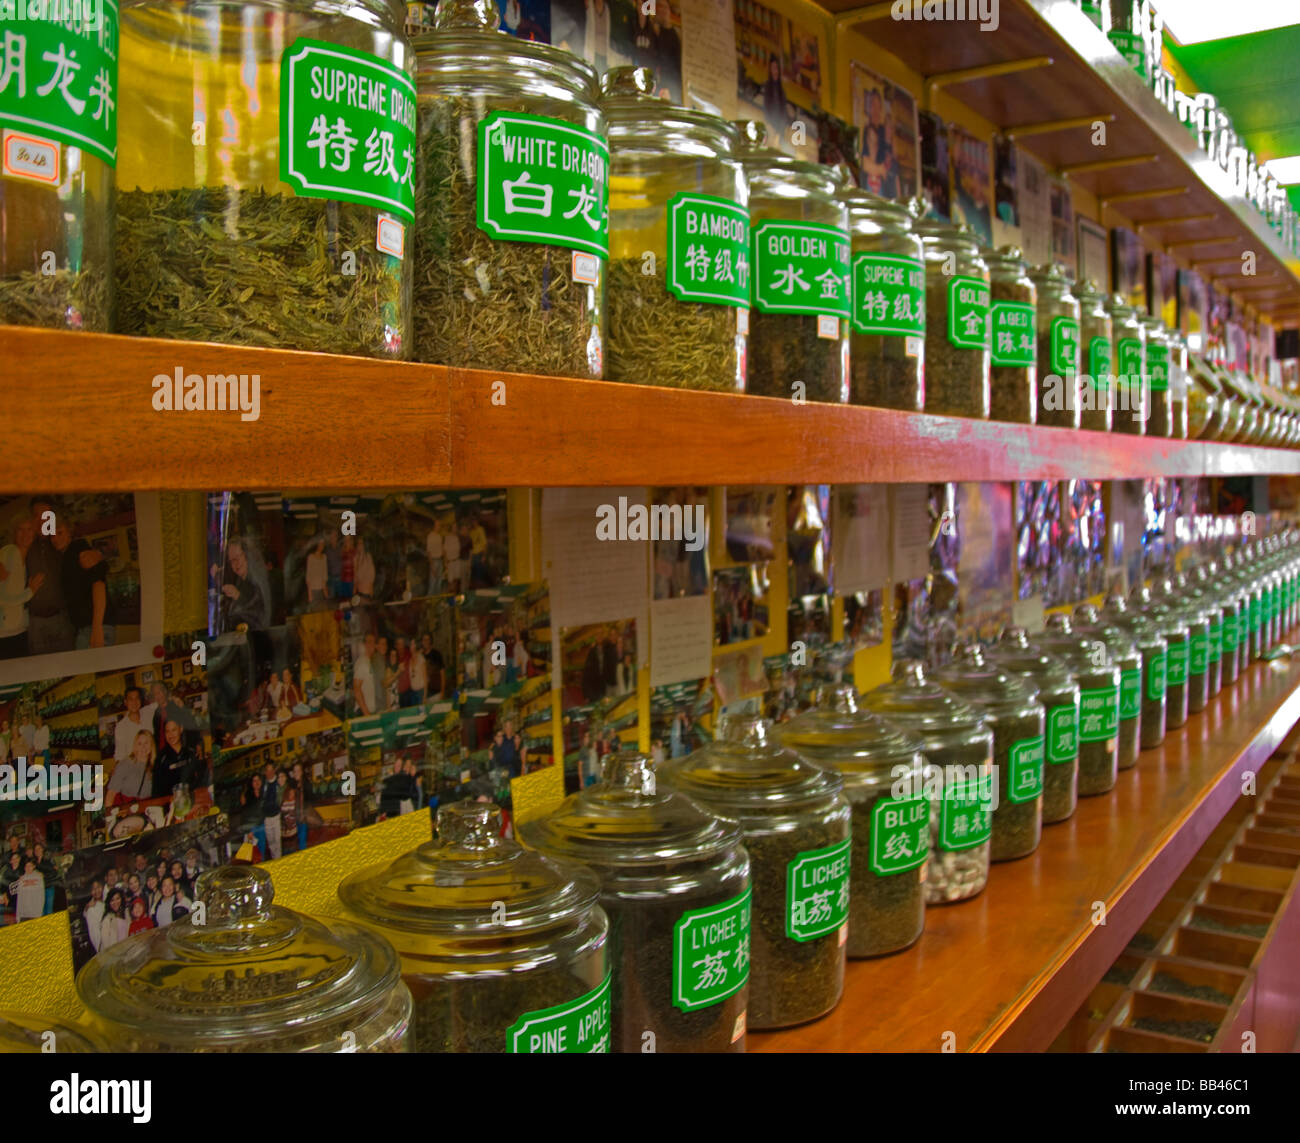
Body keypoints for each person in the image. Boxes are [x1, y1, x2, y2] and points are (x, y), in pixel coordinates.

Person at [51, 516, 113, 649]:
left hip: (96, 626)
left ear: (69, 532)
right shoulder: (66, 556)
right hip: (87, 627)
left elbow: (98, 584)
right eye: (52, 535)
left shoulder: (78, 548)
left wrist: (97, 628)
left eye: (60, 532)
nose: (55, 538)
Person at [24, 497, 75, 654]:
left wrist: (97, 556)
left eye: (46, 516)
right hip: (34, 622)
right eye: (36, 516)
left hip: (62, 618)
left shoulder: (61, 541)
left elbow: (83, 554)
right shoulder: (23, 545)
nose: (41, 521)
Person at [0, 517, 42, 660]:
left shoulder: (25, 556)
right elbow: (2, 599)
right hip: (5, 634)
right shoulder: (10, 552)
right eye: (20, 530)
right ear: (14, 533)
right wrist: (30, 591)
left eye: (29, 530)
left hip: (18, 630)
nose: (25, 534)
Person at [212, 537, 268, 631]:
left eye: (238, 557)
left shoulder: (256, 579)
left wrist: (237, 595)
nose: (236, 563)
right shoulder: (240, 579)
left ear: (246, 556)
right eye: (232, 560)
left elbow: (259, 613)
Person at [154, 719, 200, 798]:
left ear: (181, 729)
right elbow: (156, 791)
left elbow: (198, 781)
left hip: (191, 798)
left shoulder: (191, 753)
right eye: (167, 731)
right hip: (170, 802)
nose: (170, 735)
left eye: (174, 730)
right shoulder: (161, 758)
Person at [108, 729, 156, 804]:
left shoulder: (156, 766)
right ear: (135, 746)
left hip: (148, 807)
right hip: (126, 808)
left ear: (151, 745)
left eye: (146, 743)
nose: (143, 747)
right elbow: (111, 794)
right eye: (139, 744)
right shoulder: (125, 764)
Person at [114, 686, 159, 764]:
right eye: (131, 699)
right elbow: (119, 756)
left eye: (137, 698)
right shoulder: (121, 727)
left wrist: (177, 700)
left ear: (140, 700)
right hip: (135, 767)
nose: (134, 702)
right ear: (125, 702)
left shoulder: (148, 712)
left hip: (153, 763)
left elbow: (163, 702)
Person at [352, 633, 378, 716]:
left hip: (370, 711)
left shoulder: (369, 661)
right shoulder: (362, 662)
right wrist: (366, 713)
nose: (372, 644)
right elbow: (357, 689)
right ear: (364, 644)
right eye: (369, 642)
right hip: (363, 712)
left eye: (373, 642)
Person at [261, 762, 283, 860]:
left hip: (276, 816)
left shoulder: (278, 782)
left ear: (274, 770)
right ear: (265, 772)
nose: (269, 772)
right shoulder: (263, 784)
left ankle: (279, 861)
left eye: (271, 770)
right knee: (271, 843)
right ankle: (275, 859)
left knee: (277, 841)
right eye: (267, 770)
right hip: (266, 818)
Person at [83, 880, 106, 951]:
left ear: (102, 887)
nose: (96, 891)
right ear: (90, 892)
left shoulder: (107, 901)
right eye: (93, 889)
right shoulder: (91, 910)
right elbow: (94, 934)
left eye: (98, 887)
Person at [305, 538, 329, 604]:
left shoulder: (324, 557)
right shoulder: (311, 557)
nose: (321, 546)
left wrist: (325, 591)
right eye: (320, 544)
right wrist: (309, 594)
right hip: (313, 589)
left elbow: (325, 574)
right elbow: (308, 576)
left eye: (323, 544)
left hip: (322, 589)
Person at [425, 521, 445, 595]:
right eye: (438, 525)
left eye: (440, 525)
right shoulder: (430, 536)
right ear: (434, 526)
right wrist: (432, 565)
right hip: (434, 561)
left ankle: (437, 602)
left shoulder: (439, 536)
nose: (439, 527)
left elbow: (442, 548)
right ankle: (429, 601)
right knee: (432, 582)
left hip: (440, 560)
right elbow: (428, 552)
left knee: (439, 582)